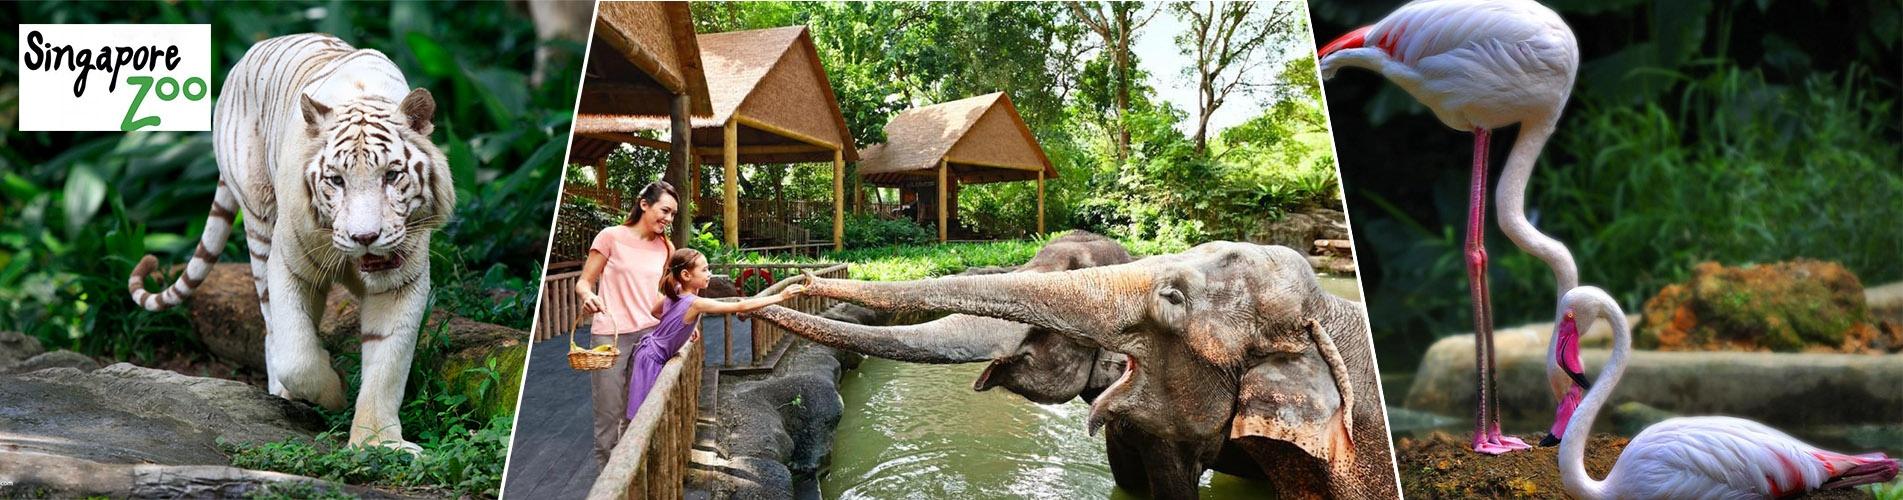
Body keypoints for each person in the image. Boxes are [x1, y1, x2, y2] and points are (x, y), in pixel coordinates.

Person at [628, 249, 804, 418]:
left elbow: (656, 312)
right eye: (704, 270)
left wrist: (684, 326)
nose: (709, 274)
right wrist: (781, 296)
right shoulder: (695, 303)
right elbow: (740, 306)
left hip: (648, 350)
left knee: (651, 410)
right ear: (686, 275)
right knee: (646, 413)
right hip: (653, 358)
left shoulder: (677, 292)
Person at [576, 181, 676, 466]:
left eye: (673, 215)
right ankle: (607, 481)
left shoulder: (666, 248)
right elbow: (585, 282)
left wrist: (679, 322)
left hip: (648, 336)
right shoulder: (610, 236)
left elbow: (659, 295)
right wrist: (588, 296)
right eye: (665, 211)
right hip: (610, 336)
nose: (668, 219)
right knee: (608, 414)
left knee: (638, 412)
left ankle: (632, 477)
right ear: (644, 204)